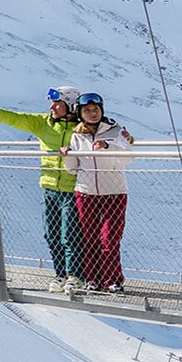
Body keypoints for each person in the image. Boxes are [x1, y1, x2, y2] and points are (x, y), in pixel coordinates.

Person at [0, 87, 83, 288]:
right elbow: (14, 118)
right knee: (51, 233)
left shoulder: (83, 128)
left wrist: (124, 138)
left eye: (57, 104)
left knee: (70, 234)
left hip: (73, 189)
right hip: (49, 187)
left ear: (71, 106)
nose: (51, 107)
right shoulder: (42, 123)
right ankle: (60, 274)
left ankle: (75, 276)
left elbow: (110, 135)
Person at [60, 92, 135, 293]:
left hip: (114, 191)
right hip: (86, 192)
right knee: (90, 238)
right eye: (87, 111)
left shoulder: (116, 130)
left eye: (96, 110)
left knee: (109, 239)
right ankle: (92, 278)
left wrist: (107, 146)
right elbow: (73, 169)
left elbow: (128, 158)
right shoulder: (77, 134)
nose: (92, 114)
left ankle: (112, 280)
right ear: (80, 113)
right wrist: (67, 155)